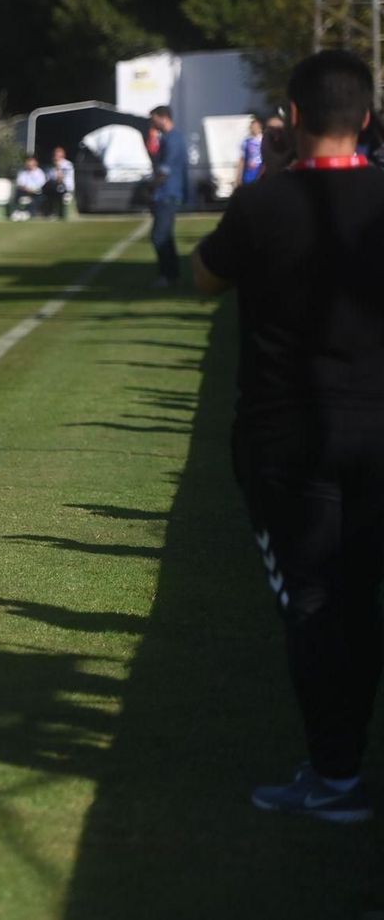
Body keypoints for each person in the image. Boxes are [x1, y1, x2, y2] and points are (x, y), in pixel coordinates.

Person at [190, 48, 384, 824]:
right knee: (363, 596)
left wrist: (264, 182)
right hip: (378, 429)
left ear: (293, 119)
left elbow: (204, 278)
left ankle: (335, 774)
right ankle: (342, 764)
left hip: (288, 437)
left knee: (311, 602)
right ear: (365, 118)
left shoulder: (263, 204)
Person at [149, 105, 188, 286]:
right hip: (168, 192)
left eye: (154, 118)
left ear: (163, 117)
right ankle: (173, 275)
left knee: (159, 236)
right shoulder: (172, 138)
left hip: (167, 193)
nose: (153, 123)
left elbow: (165, 169)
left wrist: (152, 186)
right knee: (166, 235)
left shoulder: (172, 140)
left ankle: (166, 275)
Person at [8, 155, 46, 221]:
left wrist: (32, 189)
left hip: (35, 191)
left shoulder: (40, 173)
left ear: (35, 163)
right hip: (24, 190)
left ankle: (28, 213)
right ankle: (15, 212)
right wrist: (26, 189)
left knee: (40, 197)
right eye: (28, 161)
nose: (29, 163)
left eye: (31, 161)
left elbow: (41, 184)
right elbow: (20, 183)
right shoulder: (22, 172)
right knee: (17, 192)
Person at [42, 146, 74, 218]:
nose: (55, 156)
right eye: (54, 154)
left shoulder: (67, 164)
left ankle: (57, 212)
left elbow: (61, 178)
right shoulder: (51, 166)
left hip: (65, 186)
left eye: (57, 154)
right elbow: (48, 178)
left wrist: (58, 167)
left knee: (57, 190)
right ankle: (50, 212)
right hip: (54, 186)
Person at [236, 117, 265, 187]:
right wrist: (239, 175)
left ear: (260, 127)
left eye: (257, 126)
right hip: (248, 175)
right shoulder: (247, 141)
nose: (255, 128)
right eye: (253, 127)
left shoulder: (264, 140)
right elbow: (242, 159)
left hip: (261, 173)